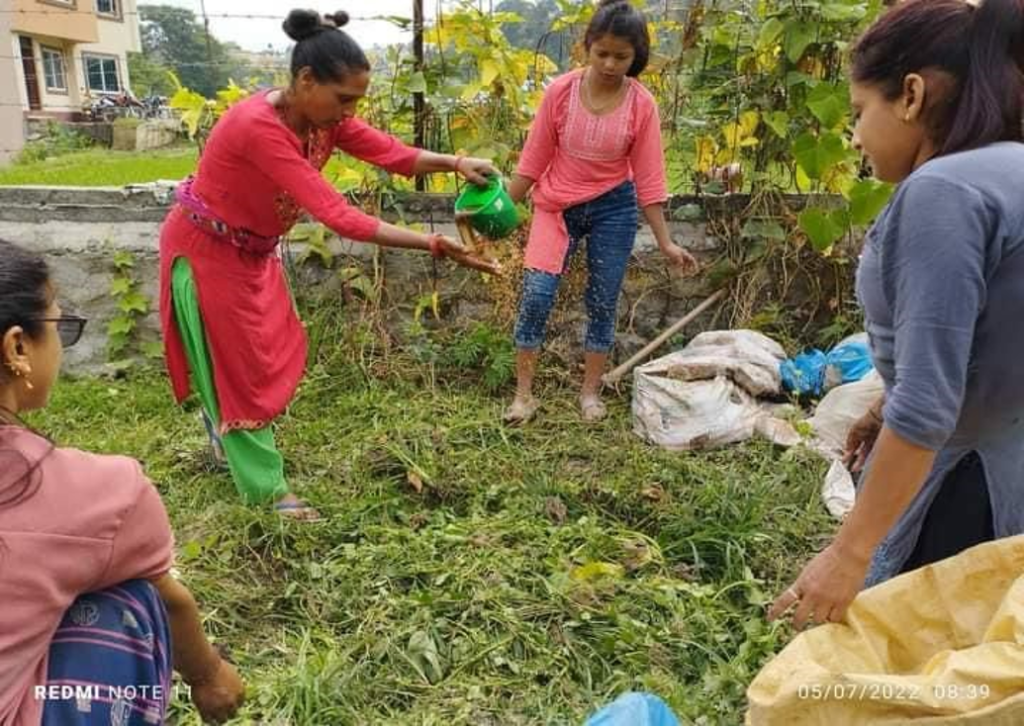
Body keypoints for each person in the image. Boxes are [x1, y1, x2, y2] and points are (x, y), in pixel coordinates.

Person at [159, 9, 501, 520]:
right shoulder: (258, 127)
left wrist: (454, 163)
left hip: (251, 253)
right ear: (305, 80)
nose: (349, 113)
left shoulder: (321, 120)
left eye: (356, 102)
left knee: (260, 352)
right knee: (242, 374)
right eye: (344, 99)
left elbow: (390, 153)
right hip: (208, 253)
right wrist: (431, 243)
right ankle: (268, 493)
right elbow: (336, 214)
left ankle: (221, 436)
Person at [770, 0, 1024, 628]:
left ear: (910, 95)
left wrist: (847, 553)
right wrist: (884, 405)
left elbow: (931, 403)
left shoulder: (942, 192)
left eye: (860, 113)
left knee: (917, 673)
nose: (855, 136)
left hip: (970, 489)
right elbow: (993, 336)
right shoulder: (1011, 171)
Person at [0, 239, 245, 726]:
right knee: (130, 595)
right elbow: (172, 602)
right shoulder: (103, 493)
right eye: (58, 326)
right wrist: (209, 675)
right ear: (18, 346)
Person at [502, 0, 698, 424]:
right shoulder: (560, 93)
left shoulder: (641, 105)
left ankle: (590, 394)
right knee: (536, 297)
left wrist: (665, 241)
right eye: (601, 53)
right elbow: (532, 162)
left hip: (615, 207)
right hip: (556, 206)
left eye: (621, 56)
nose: (610, 64)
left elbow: (649, 178)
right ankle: (523, 396)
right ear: (586, 47)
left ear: (636, 56)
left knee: (603, 302)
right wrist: (497, 212)